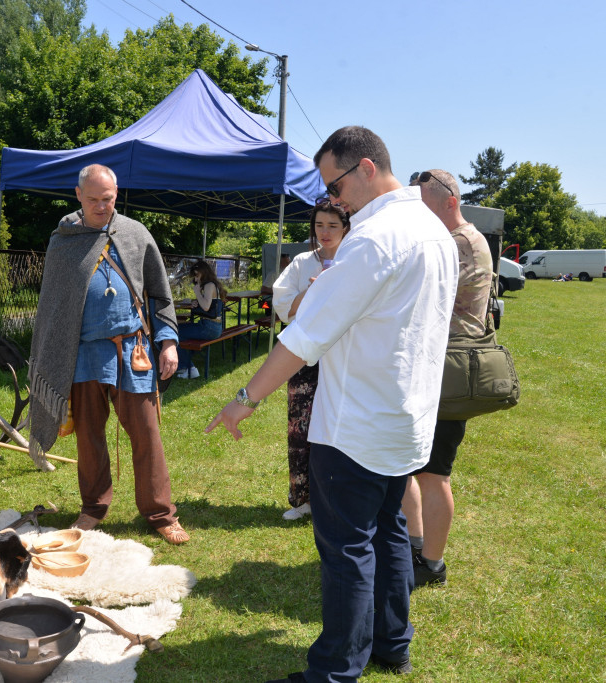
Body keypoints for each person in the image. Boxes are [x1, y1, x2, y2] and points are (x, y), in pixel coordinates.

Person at [207, 126, 458, 680]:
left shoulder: (374, 239)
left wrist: (244, 399)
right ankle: (392, 644)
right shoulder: (432, 227)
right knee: (391, 530)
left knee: (348, 549)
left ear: (366, 168)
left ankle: (334, 670)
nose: (334, 200)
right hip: (404, 419)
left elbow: (303, 337)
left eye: (336, 185)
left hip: (357, 425)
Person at [27, 164, 189, 545]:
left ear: (117, 195)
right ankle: (93, 508)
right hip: (82, 355)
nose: (102, 206)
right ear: (79, 195)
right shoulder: (63, 240)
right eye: (95, 199)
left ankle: (160, 514)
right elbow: (53, 306)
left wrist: (167, 341)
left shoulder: (135, 234)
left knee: (147, 434)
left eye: (109, 199)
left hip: (134, 351)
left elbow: (161, 294)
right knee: (89, 438)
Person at [401, 169, 494, 589]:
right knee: (413, 465)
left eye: (425, 207)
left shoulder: (456, 243)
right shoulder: (463, 238)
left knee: (434, 471)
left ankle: (431, 564)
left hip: (448, 371)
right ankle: (415, 545)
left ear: (449, 202)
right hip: (441, 367)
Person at [272, 199, 351, 521]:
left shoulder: (355, 260)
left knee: (341, 428)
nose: (325, 232)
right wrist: (313, 292)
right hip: (304, 357)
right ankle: (302, 498)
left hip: (347, 355)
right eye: (319, 225)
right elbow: (283, 307)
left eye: (332, 225)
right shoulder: (304, 262)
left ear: (346, 227)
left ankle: (338, 499)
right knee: (301, 426)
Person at [176, 260, 228, 379]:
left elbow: (205, 306)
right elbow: (209, 306)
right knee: (182, 332)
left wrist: (197, 293)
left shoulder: (209, 285)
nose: (195, 278)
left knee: (176, 332)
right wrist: (197, 302)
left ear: (204, 273)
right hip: (214, 327)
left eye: (197, 275)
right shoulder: (214, 284)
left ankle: (189, 368)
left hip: (208, 327)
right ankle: (184, 363)